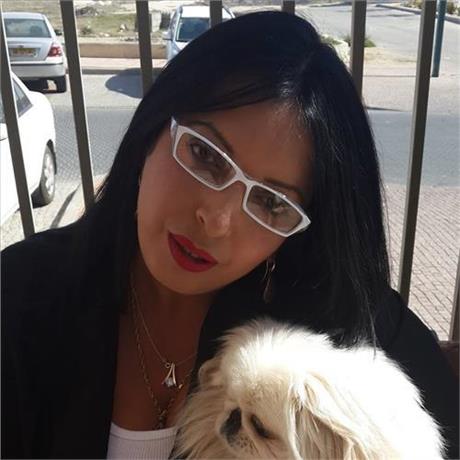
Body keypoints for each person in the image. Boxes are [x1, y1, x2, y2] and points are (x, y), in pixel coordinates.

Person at [2, 11, 458, 460]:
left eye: (271, 203)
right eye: (205, 154)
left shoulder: (352, 336)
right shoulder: (20, 297)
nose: (216, 219)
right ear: (151, 130)